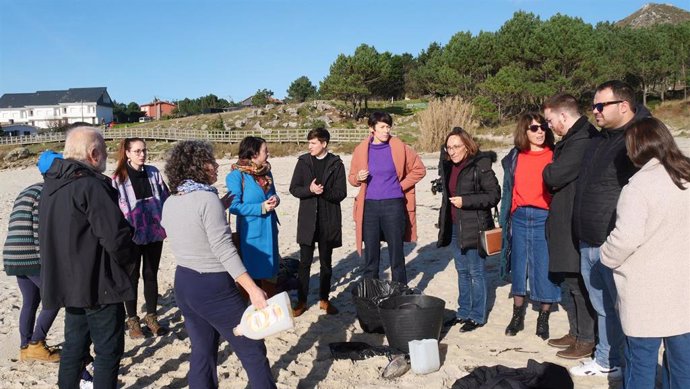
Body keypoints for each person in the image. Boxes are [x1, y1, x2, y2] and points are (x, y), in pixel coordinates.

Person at [161, 140, 276, 389]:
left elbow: (186, 229)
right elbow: (223, 249)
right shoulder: (206, 200)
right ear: (197, 167)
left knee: (202, 353)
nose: (216, 166)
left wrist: (217, 207)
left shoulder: (172, 200)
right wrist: (253, 289)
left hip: (184, 283)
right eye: (210, 161)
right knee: (253, 349)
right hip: (213, 286)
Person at [39, 127, 136, 389]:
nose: (105, 157)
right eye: (103, 152)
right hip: (99, 284)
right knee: (108, 350)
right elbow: (116, 238)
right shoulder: (90, 185)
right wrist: (128, 264)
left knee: (75, 346)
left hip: (69, 282)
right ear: (93, 154)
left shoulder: (51, 186)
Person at [600, 117, 690, 389]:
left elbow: (625, 238)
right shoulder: (686, 177)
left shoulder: (638, 187)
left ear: (638, 148)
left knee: (640, 362)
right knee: (683, 363)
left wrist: (606, 253)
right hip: (682, 287)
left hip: (646, 290)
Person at [569, 80, 650, 379]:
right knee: (602, 304)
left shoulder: (640, 137)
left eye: (601, 105)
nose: (595, 111)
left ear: (624, 106)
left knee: (619, 307)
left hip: (614, 240)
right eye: (593, 105)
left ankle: (614, 360)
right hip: (589, 237)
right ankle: (608, 357)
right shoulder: (600, 139)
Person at [541, 94, 597, 359]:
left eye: (550, 120)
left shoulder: (582, 139)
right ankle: (576, 333)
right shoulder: (574, 139)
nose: (549, 127)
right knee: (570, 281)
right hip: (566, 217)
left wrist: (549, 169)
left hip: (575, 219)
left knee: (578, 282)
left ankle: (586, 339)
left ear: (563, 115)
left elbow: (554, 175)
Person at [500, 112, 560, 340]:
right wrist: (512, 210)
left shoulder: (554, 156)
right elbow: (509, 187)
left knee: (544, 267)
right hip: (520, 216)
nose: (540, 132)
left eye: (543, 127)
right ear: (524, 132)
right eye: (534, 128)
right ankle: (517, 315)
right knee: (519, 266)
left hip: (545, 216)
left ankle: (543, 317)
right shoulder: (515, 156)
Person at [349, 111, 426, 284]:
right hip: (368, 207)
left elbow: (419, 169)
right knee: (371, 255)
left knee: (396, 255)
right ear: (372, 128)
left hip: (394, 205)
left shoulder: (400, 146)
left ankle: (400, 292)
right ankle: (370, 294)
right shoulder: (361, 149)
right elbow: (352, 178)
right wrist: (358, 178)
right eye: (382, 127)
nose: (386, 130)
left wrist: (401, 186)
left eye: (388, 126)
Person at [437, 127, 500, 332]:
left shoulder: (480, 165)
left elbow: (494, 195)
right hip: (455, 226)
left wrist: (466, 201)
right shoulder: (447, 165)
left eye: (456, 147)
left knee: (476, 272)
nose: (452, 151)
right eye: (449, 147)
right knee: (462, 271)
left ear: (467, 146)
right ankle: (463, 312)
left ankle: (477, 316)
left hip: (475, 226)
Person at [2, 151, 63, 363]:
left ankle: (25, 346)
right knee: (54, 298)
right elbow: (40, 229)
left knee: (30, 300)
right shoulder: (48, 192)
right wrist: (48, 261)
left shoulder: (28, 190)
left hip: (13, 254)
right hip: (31, 256)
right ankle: (37, 343)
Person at [112, 137, 170, 339]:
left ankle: (152, 317)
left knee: (151, 274)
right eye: (137, 151)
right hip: (133, 234)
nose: (142, 154)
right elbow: (117, 208)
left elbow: (166, 198)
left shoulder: (154, 173)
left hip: (155, 231)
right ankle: (133, 320)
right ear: (127, 153)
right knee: (132, 277)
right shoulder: (119, 178)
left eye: (144, 150)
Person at [289, 128, 347, 317]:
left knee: (326, 264)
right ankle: (302, 301)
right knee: (304, 263)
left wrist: (324, 192)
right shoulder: (303, 161)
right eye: (309, 143)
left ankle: (324, 299)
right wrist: (310, 190)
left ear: (324, 144)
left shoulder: (336, 163)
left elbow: (341, 193)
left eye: (313, 143)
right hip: (307, 220)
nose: (310, 146)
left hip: (328, 221)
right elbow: (294, 189)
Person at [227, 136, 280, 296]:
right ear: (254, 153)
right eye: (265, 150)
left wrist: (276, 199)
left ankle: (270, 308)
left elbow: (274, 194)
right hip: (251, 235)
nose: (268, 153)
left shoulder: (266, 172)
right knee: (251, 274)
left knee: (271, 273)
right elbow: (234, 206)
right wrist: (261, 208)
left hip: (270, 230)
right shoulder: (236, 176)